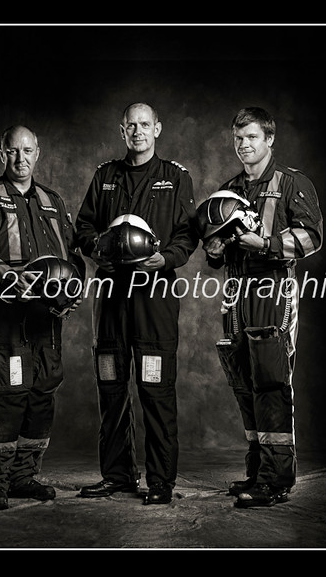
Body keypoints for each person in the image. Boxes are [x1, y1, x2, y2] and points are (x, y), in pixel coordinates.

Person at [76, 103, 198, 505]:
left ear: (158, 128)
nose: (138, 131)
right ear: (122, 129)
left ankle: (161, 481)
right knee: (111, 387)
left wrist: (165, 258)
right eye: (131, 124)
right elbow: (84, 229)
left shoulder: (175, 177)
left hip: (154, 299)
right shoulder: (105, 175)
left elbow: (186, 234)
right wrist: (101, 248)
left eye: (145, 124)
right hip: (110, 300)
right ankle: (117, 476)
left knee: (155, 390)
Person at [200, 107, 323, 508]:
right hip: (235, 300)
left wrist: (267, 244)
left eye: (252, 137)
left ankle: (276, 480)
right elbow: (217, 250)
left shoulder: (291, 183)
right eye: (238, 138)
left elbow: (311, 237)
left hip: (273, 295)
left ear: (269, 139)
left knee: (271, 384)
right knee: (246, 385)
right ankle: (257, 471)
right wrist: (215, 249)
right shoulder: (229, 189)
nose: (244, 145)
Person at [0, 125, 85, 510]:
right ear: (3, 154)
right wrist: (7, 274)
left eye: (28, 150)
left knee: (42, 391)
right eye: (13, 151)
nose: (21, 158)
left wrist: (75, 287)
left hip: (47, 318)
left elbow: (73, 254)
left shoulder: (53, 200)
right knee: (7, 393)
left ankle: (24, 476)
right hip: (8, 315)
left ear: (38, 152)